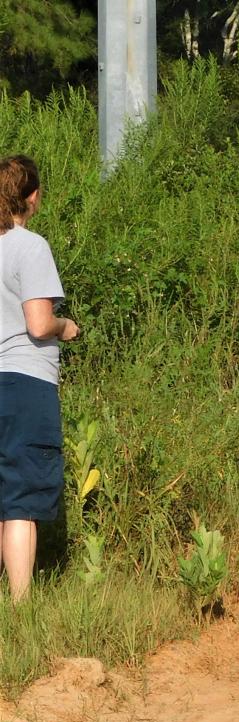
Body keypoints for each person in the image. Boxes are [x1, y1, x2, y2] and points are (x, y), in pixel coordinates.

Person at [0, 155, 79, 602]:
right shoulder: (30, 246)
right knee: (21, 497)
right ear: (31, 197)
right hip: (24, 381)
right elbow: (37, 322)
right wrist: (65, 327)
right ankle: (21, 605)